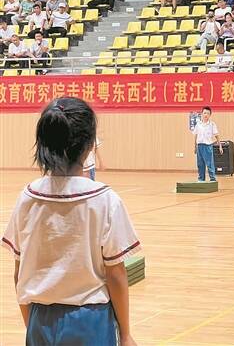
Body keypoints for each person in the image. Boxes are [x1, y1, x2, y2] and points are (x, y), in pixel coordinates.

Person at [1, 97, 140, 345]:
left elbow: (18, 273)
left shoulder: (27, 197)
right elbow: (116, 274)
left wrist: (31, 324)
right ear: (88, 146)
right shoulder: (105, 200)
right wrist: (126, 334)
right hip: (91, 321)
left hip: (39, 319)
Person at [193, 106, 223, 182]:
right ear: (202, 114)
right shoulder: (198, 124)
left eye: (208, 113)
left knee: (210, 164)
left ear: (210, 115)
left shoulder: (212, 124)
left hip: (208, 146)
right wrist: (195, 146)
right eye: (204, 113)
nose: (206, 115)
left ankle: (212, 179)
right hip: (199, 146)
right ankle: (201, 179)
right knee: (200, 164)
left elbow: (217, 136)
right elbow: (196, 135)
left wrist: (220, 146)